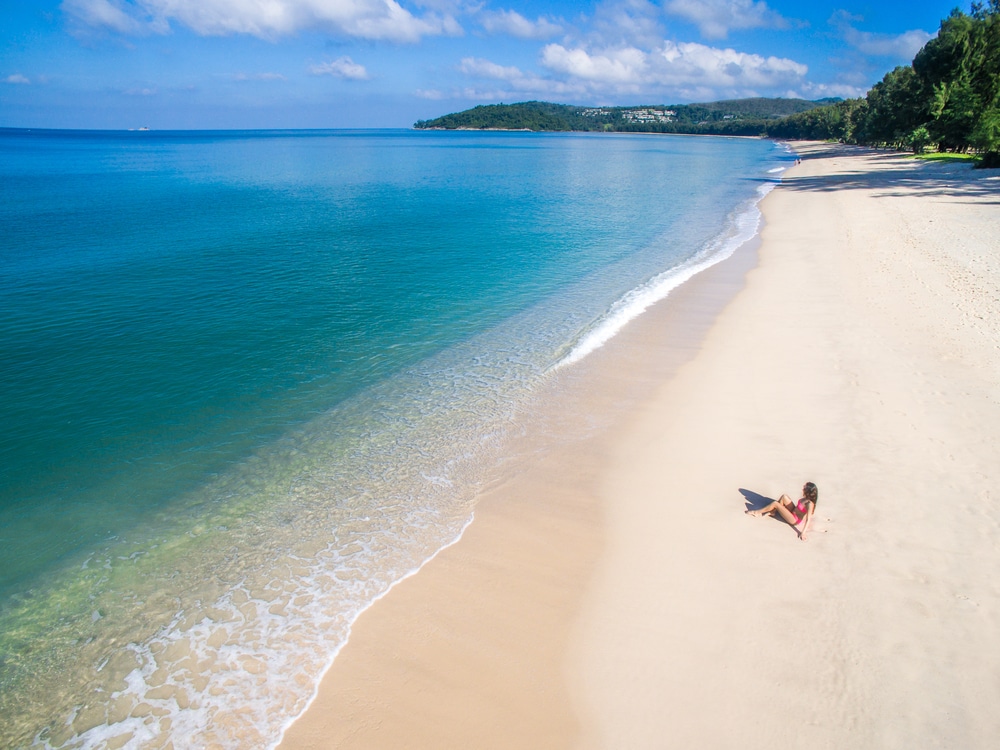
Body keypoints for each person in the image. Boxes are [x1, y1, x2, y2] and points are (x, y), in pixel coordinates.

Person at [746, 482, 818, 541]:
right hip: (793, 511)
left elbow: (808, 519)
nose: (803, 487)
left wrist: (803, 533)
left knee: (775, 504)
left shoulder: (809, 504)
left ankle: (757, 512)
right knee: (784, 496)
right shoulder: (805, 498)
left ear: (808, 491)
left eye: (805, 487)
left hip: (795, 520)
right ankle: (773, 511)